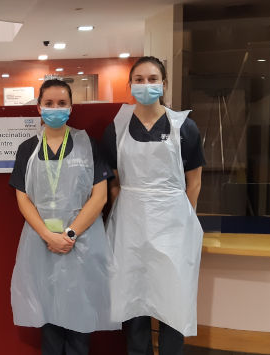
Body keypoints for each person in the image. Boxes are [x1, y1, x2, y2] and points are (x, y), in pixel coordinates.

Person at [101, 56, 205, 355]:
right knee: (133, 297)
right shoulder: (116, 129)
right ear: (130, 85)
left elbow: (194, 181)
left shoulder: (184, 128)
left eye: (152, 79)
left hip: (173, 225)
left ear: (164, 84)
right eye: (140, 79)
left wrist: (183, 218)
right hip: (130, 226)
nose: (146, 85)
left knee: (173, 298)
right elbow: (115, 181)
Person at [9, 78, 120, 355]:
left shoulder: (89, 145)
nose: (55, 109)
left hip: (81, 242)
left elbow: (100, 197)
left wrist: (69, 235)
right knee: (49, 318)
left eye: (61, 103)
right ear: (38, 108)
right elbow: (22, 198)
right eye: (49, 103)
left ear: (71, 107)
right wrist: (48, 235)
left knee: (80, 318)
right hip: (41, 242)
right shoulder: (27, 149)